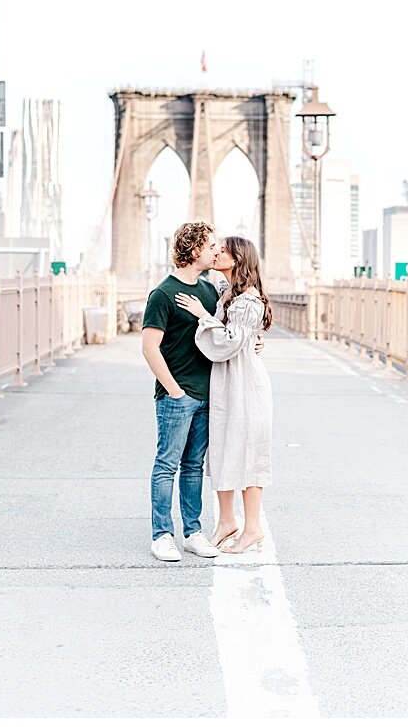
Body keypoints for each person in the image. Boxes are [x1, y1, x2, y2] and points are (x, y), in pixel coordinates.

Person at [175, 235, 274, 556]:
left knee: (249, 450)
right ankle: (227, 521)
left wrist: (203, 316)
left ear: (237, 259)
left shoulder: (248, 301)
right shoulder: (226, 292)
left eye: (222, 251)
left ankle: (253, 527)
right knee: (222, 449)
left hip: (244, 384)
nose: (215, 254)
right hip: (227, 382)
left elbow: (229, 341)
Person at [141, 221, 224, 562]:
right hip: (176, 396)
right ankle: (161, 535)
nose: (216, 251)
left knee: (194, 467)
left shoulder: (210, 291)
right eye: (211, 246)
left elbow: (222, 333)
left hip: (207, 393)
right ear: (193, 251)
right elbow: (149, 347)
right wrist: (174, 391)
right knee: (167, 465)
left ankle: (192, 532)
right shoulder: (162, 294)